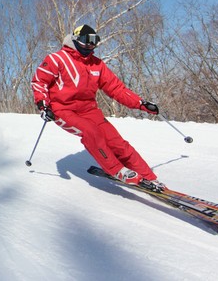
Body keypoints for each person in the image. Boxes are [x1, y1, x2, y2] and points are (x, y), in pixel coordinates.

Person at [31, 24, 164, 190]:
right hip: (62, 109)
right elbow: (39, 81)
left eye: (94, 42)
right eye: (86, 41)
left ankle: (149, 177)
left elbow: (116, 88)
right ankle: (117, 170)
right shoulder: (56, 59)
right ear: (76, 39)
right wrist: (43, 105)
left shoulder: (97, 64)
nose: (90, 45)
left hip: (89, 110)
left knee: (117, 142)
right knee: (90, 132)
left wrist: (140, 103)